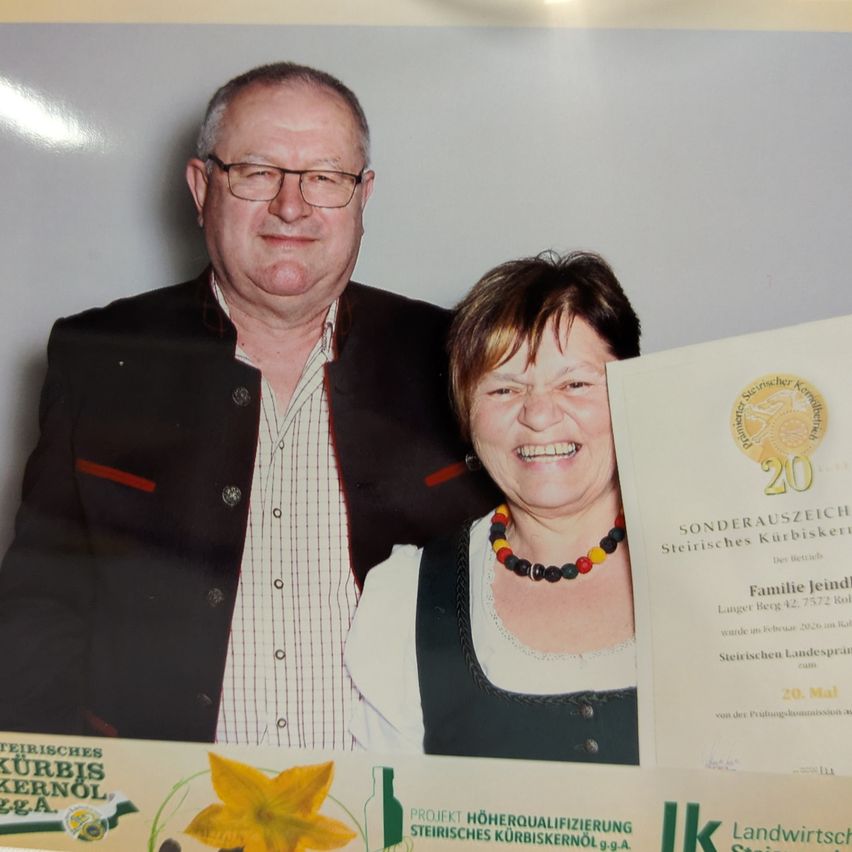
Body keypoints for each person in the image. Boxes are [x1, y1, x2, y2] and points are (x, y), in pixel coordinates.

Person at [0, 62, 496, 748]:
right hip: (167, 812)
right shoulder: (98, 355)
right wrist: (48, 805)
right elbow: (41, 602)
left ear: (362, 195)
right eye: (257, 172)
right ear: (203, 187)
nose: (291, 206)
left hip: (397, 816)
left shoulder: (454, 354)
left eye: (325, 177)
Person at [345, 250, 641, 763]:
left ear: (635, 393)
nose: (539, 415)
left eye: (575, 383)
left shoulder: (712, 555)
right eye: (504, 388)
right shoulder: (407, 594)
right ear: (467, 417)